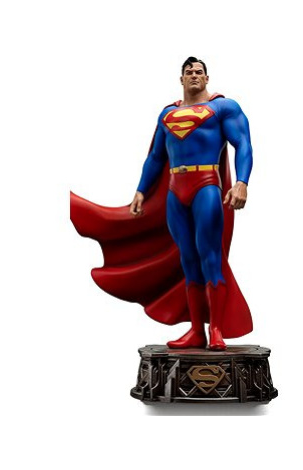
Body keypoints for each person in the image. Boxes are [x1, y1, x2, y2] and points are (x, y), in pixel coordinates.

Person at [128, 57, 253, 350]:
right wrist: (141, 190)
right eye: (189, 72)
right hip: (175, 189)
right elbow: (156, 157)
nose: (194, 75)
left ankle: (216, 329)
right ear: (181, 79)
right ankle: (197, 330)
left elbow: (243, 144)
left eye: (199, 71)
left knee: (210, 255)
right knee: (188, 259)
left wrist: (242, 182)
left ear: (207, 78)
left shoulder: (223, 107)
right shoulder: (167, 114)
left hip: (205, 185)